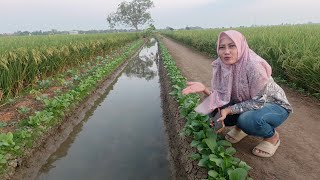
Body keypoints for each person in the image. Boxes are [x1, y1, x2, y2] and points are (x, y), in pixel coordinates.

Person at [182, 30, 292, 158]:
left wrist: (229, 109)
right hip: (245, 101)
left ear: (241, 45)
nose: (226, 51)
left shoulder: (254, 65)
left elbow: (258, 102)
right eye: (222, 47)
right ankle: (240, 128)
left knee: (247, 120)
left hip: (273, 105)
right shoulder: (222, 64)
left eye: (232, 46)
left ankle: (272, 137)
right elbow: (221, 95)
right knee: (213, 108)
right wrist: (204, 89)